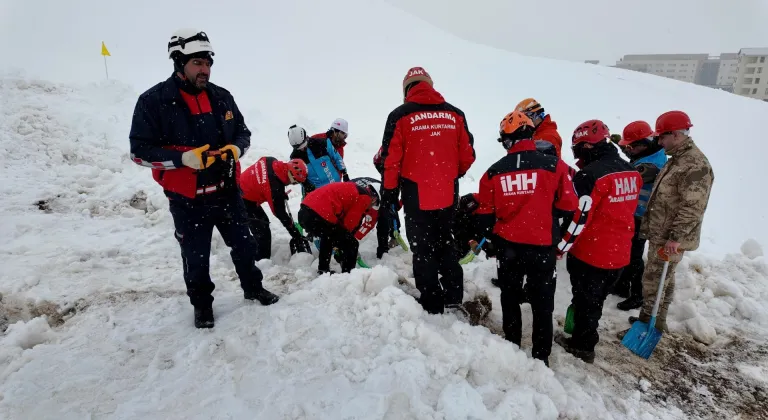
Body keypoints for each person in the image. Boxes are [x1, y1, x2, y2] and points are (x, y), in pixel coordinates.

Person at [128, 29, 278, 329]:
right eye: (197, 63)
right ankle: (202, 306)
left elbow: (243, 132)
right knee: (195, 257)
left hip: (226, 192)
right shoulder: (154, 101)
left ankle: (253, 287)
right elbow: (139, 152)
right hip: (187, 200)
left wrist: (236, 148)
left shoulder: (221, 97)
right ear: (178, 61)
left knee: (245, 245)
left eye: (208, 63)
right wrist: (181, 159)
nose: (205, 70)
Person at [475, 111, 579, 366]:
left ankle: (511, 345)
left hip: (508, 247)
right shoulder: (556, 166)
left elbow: (485, 214)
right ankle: (540, 355)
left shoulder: (493, 172)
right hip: (542, 247)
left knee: (510, 297)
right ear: (530, 134)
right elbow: (569, 205)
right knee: (543, 301)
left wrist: (487, 239)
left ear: (507, 140)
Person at [377, 66, 476, 315]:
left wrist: (390, 193)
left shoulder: (400, 116)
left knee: (422, 248)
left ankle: (431, 301)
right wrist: (451, 175)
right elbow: (468, 156)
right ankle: (453, 295)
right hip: (447, 193)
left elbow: (390, 160)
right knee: (445, 242)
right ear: (429, 85)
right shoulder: (455, 114)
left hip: (415, 193)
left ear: (406, 90)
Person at [554, 119, 642, 363]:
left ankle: (583, 345)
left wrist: (560, 247)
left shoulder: (590, 176)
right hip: (620, 250)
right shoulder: (631, 171)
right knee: (596, 299)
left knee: (586, 300)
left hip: (592, 253)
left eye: (578, 149)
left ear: (588, 146)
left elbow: (578, 218)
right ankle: (582, 333)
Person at [619, 110, 714, 337]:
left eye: (662, 137)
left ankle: (644, 328)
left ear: (676, 135)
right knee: (664, 280)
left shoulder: (694, 165)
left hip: (669, 236)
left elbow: (693, 207)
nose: (659, 142)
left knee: (653, 280)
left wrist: (676, 238)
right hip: (663, 231)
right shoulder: (678, 159)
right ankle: (657, 322)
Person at [613, 121, 667, 310]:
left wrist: (607, 155)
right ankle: (622, 286)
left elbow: (624, 173)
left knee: (634, 256)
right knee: (627, 251)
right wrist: (618, 143)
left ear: (643, 144)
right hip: (635, 213)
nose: (629, 150)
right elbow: (632, 156)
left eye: (632, 146)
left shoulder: (651, 165)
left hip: (642, 216)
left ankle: (637, 294)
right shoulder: (650, 152)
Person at [298, 178, 380, 274]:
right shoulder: (365, 197)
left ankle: (323, 269)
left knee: (328, 236)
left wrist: (340, 244)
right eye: (374, 205)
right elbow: (349, 223)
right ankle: (348, 274)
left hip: (305, 212)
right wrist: (345, 247)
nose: (371, 208)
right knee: (352, 244)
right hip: (319, 214)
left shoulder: (354, 189)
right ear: (374, 199)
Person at [239, 157, 312, 259]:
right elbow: (280, 214)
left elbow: (266, 175)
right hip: (243, 200)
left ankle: (255, 251)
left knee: (262, 223)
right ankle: (261, 261)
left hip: (243, 186)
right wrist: (295, 233)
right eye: (295, 182)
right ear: (291, 175)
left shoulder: (271, 161)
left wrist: (279, 194)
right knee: (262, 231)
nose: (292, 184)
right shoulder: (275, 188)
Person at [288, 124, 349, 197]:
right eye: (299, 148)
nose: (302, 149)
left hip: (335, 185)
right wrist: (306, 184)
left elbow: (337, 157)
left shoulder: (323, 143)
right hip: (317, 193)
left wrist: (344, 172)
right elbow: (298, 175)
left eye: (303, 146)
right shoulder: (294, 157)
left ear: (306, 138)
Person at [373, 145, 404, 253]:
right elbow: (376, 160)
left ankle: (394, 235)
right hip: (389, 179)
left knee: (392, 206)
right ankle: (383, 245)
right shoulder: (388, 147)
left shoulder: (406, 146)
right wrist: (386, 175)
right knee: (385, 210)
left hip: (397, 177)